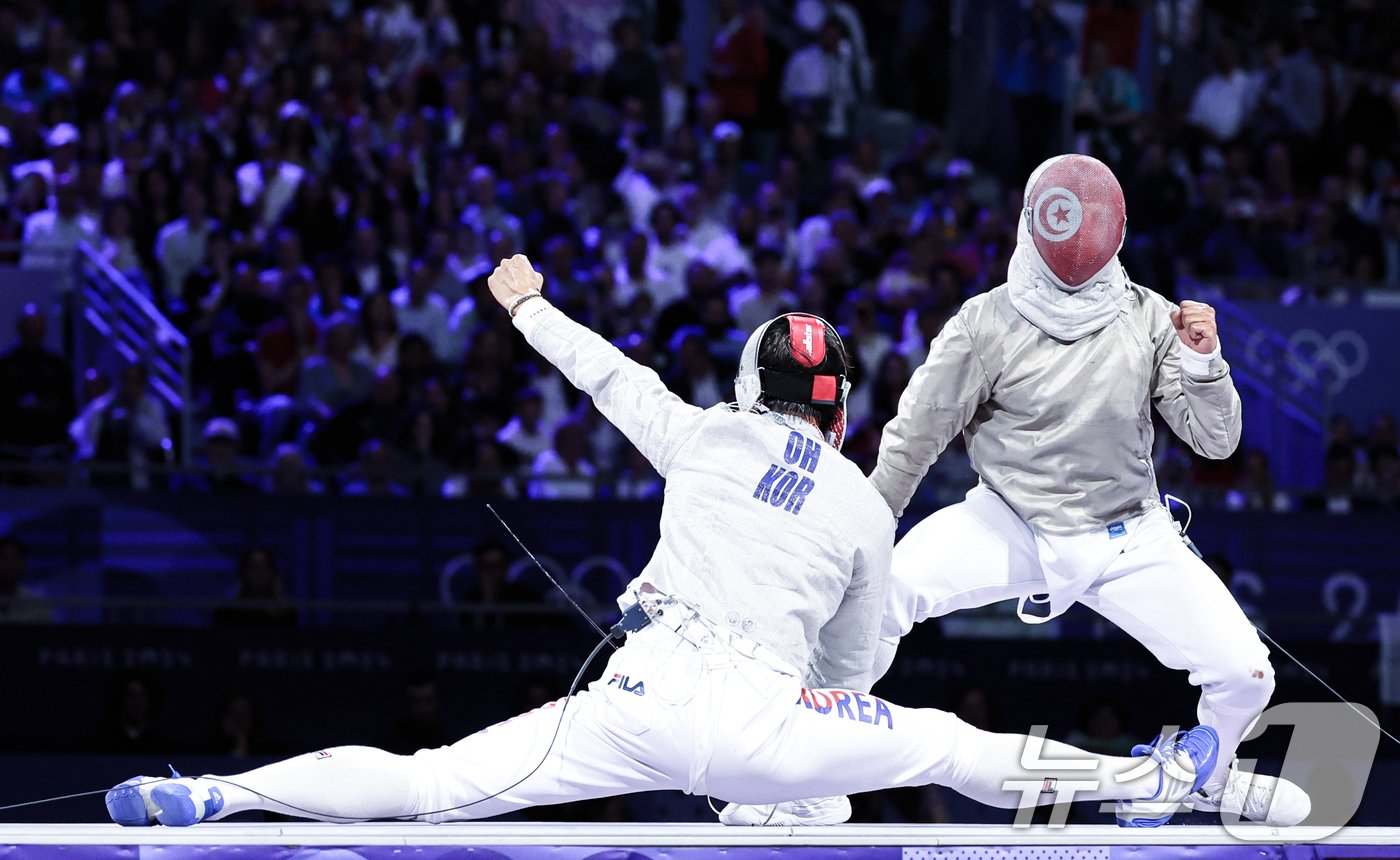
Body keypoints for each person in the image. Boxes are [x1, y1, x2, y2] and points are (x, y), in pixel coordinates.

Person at [106, 254, 1220, 829]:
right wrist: (811, 742)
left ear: (748, 383)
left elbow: (608, 375)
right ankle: (1153, 777)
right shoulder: (855, 504)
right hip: (762, 722)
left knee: (428, 781)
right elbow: (851, 669)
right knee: (938, 740)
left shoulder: (697, 434)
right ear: (836, 411)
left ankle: (220, 790)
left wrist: (527, 307)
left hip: (633, 704)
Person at [736, 154, 1307, 829]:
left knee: (1248, 676)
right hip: (1008, 523)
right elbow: (914, 437)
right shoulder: (985, 324)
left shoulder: (1153, 320)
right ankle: (804, 772)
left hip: (1129, 534)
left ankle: (1199, 774)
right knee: (873, 602)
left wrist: (1207, 363)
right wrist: (857, 540)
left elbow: (1216, 442)